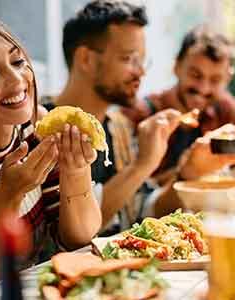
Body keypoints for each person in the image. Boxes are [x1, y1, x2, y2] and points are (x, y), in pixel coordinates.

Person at [0, 16, 102, 286]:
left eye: (18, 62)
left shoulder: (37, 128)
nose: (17, 79)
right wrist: (9, 198)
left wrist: (76, 171)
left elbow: (78, 239)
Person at [39, 0, 182, 234]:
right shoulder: (42, 128)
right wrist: (141, 166)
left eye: (141, 60)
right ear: (86, 59)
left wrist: (189, 171)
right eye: (128, 59)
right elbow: (71, 235)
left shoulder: (119, 127)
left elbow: (141, 212)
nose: (141, 72)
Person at [121, 25, 235, 215]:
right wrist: (190, 168)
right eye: (195, 75)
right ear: (177, 66)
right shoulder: (140, 115)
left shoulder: (226, 111)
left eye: (215, 80)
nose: (203, 88)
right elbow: (131, 199)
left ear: (227, 79)